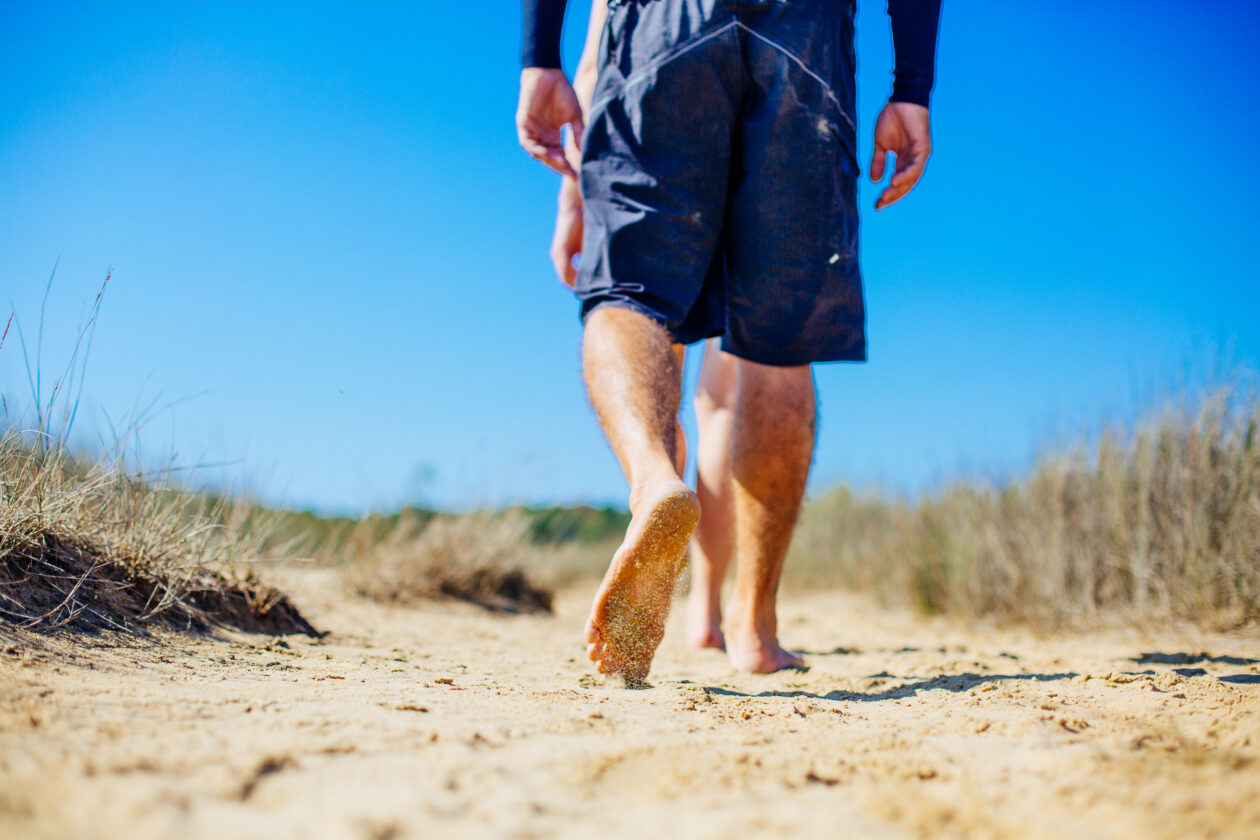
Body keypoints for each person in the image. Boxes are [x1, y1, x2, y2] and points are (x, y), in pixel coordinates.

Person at [517, 0, 941, 684]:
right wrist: (912, 87)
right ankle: (755, 626)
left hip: (662, 24)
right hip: (807, 33)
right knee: (777, 344)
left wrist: (541, 60)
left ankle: (655, 482)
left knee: (628, 293)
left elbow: (600, 30)